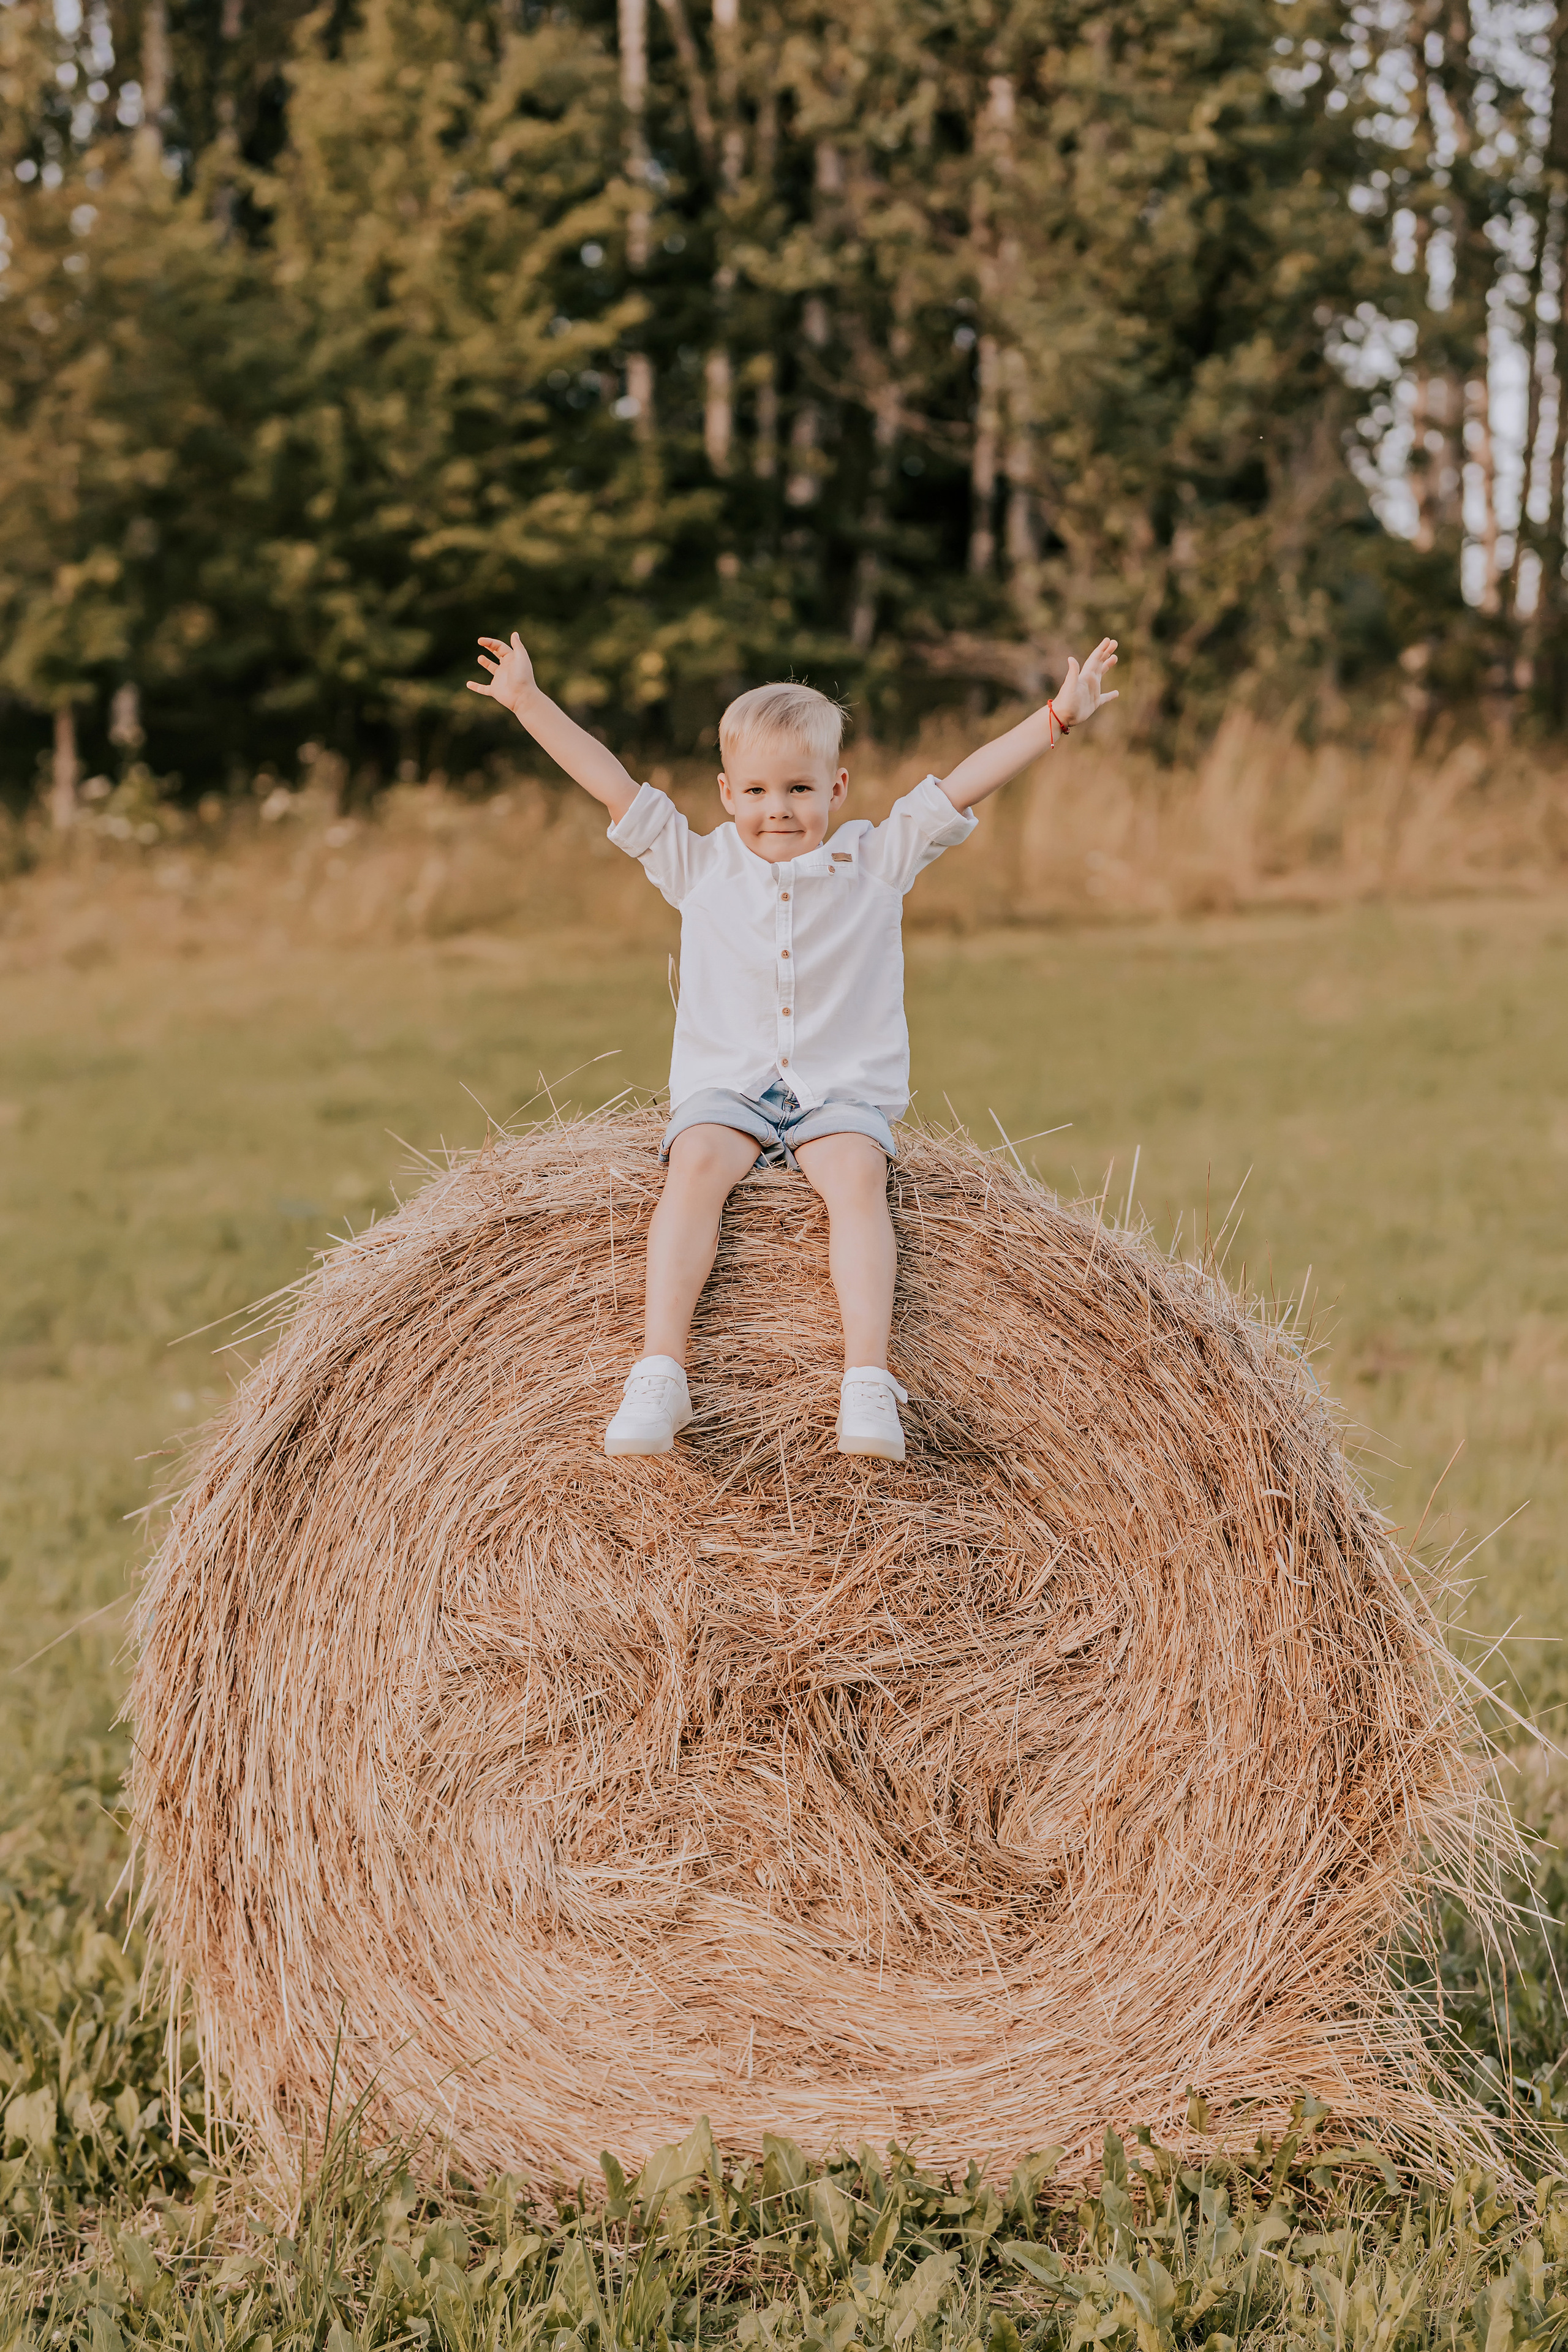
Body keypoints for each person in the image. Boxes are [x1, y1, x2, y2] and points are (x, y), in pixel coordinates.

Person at [467, 634, 1119, 1461]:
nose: (779, 808)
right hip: (729, 1088)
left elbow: (966, 780)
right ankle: (661, 1367)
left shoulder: (877, 862)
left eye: (801, 789)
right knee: (697, 1163)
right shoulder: (698, 867)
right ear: (727, 793)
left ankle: (868, 1382)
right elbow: (611, 783)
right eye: (758, 790)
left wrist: (1058, 717)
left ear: (837, 788)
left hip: (839, 1093)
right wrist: (528, 701)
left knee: (856, 1175)